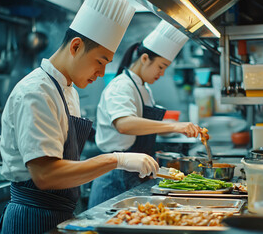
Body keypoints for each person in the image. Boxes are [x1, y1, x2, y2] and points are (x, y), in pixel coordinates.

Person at [0, 0, 160, 233]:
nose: (102, 73)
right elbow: (45, 174)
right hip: (31, 219)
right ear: (75, 46)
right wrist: (117, 159)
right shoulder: (36, 92)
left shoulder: (67, 89)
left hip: (60, 215)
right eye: (100, 61)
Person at [88, 20, 209, 208]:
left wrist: (181, 129)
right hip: (115, 172)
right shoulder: (121, 86)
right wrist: (174, 126)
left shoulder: (143, 88)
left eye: (165, 68)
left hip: (136, 170)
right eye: (161, 66)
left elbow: (145, 127)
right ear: (144, 58)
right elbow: (124, 124)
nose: (161, 73)